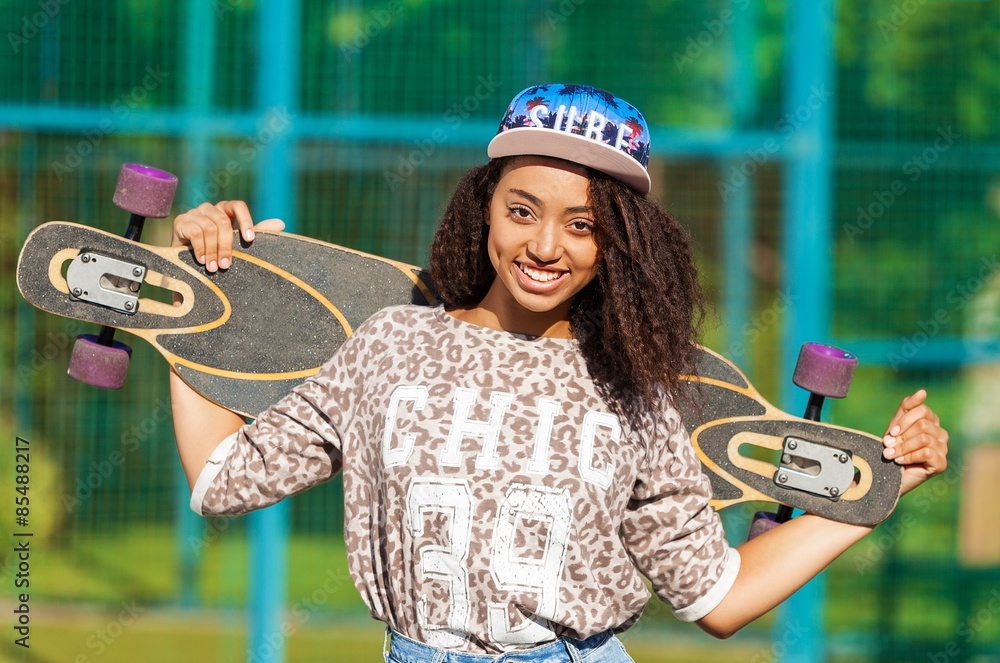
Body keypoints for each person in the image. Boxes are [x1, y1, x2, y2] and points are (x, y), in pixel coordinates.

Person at [168, 84, 949, 662]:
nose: (547, 245)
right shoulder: (389, 346)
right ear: (484, 207)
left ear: (618, 245)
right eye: (522, 210)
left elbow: (719, 596)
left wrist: (884, 484)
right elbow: (222, 479)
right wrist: (191, 305)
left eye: (583, 225)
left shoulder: (633, 388)